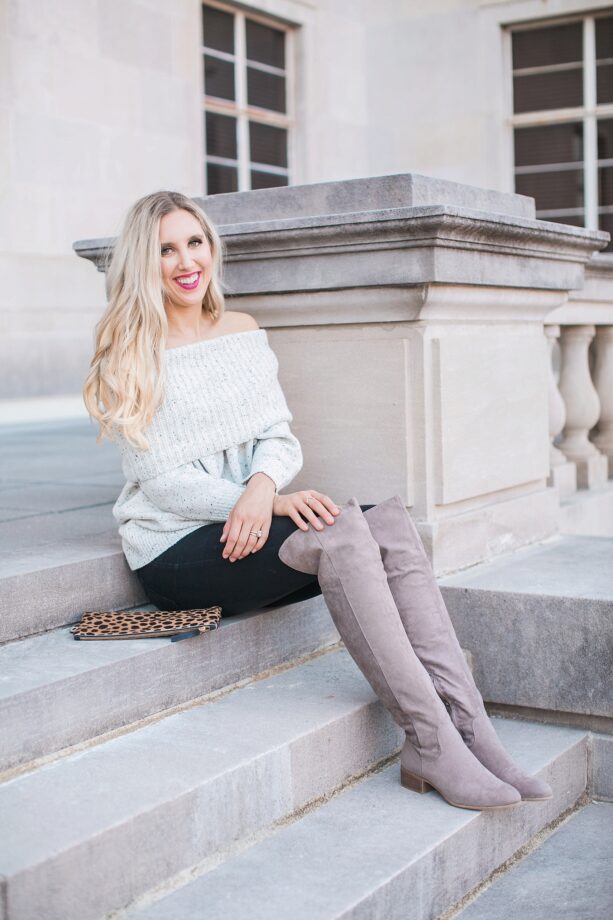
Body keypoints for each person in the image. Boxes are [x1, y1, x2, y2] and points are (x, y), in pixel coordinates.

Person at [83, 189, 552, 813]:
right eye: (166, 249)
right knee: (339, 533)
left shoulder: (241, 332)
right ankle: (429, 740)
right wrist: (259, 506)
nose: (185, 261)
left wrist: (262, 490)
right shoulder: (131, 353)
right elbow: (163, 482)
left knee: (384, 522)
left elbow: (279, 436)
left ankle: (471, 731)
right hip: (174, 546)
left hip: (244, 515)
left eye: (194, 242)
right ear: (144, 263)